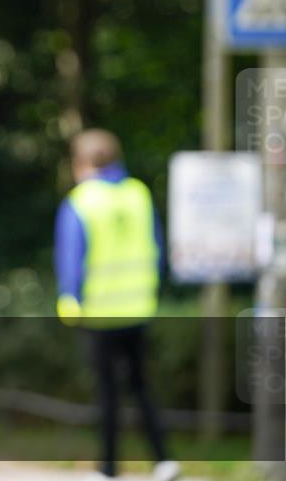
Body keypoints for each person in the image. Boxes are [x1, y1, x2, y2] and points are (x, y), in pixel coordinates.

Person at [53, 129, 180, 481]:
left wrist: (69, 299)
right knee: (141, 387)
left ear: (83, 163)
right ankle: (163, 460)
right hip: (138, 307)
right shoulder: (138, 193)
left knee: (107, 392)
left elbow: (70, 258)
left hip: (98, 312)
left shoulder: (81, 200)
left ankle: (108, 468)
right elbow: (157, 249)